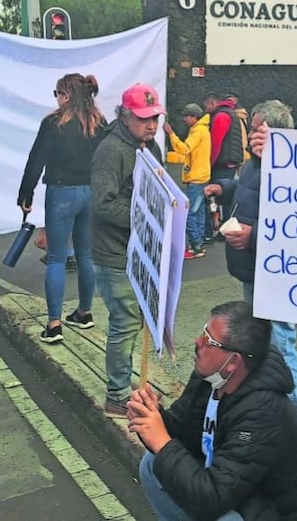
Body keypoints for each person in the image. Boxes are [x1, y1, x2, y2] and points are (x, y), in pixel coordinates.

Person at [127, 301, 297, 521]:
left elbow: (211, 500)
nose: (197, 342)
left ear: (233, 361)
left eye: (207, 340)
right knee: (153, 464)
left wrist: (162, 441)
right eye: (203, 332)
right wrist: (152, 416)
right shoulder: (211, 377)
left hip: (269, 511)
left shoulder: (263, 412)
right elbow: (181, 431)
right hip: (235, 491)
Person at [204, 99, 297, 424]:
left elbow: (295, 221)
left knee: (280, 342)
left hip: (274, 271)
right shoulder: (256, 163)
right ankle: (273, 410)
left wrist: (253, 236)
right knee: (264, 342)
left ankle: (296, 417)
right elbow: (245, 188)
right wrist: (223, 188)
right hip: (254, 267)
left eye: (256, 128)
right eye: (251, 127)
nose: (250, 135)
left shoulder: (290, 169)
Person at [17, 73, 107, 344]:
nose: (55, 98)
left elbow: (36, 159)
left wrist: (26, 193)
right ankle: (84, 311)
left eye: (57, 93)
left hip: (61, 192)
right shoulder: (99, 122)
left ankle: (54, 324)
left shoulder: (53, 123)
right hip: (91, 192)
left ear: (66, 95)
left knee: (56, 258)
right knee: (86, 256)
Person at [92, 82, 165, 416]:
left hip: (141, 251)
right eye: (143, 118)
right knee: (125, 320)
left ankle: (127, 385)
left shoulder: (151, 147)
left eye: (155, 117)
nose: (151, 125)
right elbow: (102, 204)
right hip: (114, 252)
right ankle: (118, 393)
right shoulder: (111, 149)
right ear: (124, 116)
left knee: (137, 320)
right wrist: (145, 219)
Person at [164, 103, 211, 260]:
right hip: (203, 177)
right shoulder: (203, 129)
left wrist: (171, 134)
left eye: (186, 116)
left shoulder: (197, 131)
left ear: (194, 117)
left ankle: (196, 246)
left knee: (189, 213)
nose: (184, 119)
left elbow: (184, 149)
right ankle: (198, 245)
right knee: (199, 212)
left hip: (196, 179)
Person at [203, 93, 245, 228]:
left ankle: (222, 227)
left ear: (212, 104)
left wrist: (209, 164)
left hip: (223, 163)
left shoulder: (221, 116)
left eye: (206, 107)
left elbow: (215, 143)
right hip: (232, 161)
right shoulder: (232, 114)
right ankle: (226, 226)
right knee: (228, 195)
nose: (205, 110)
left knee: (220, 196)